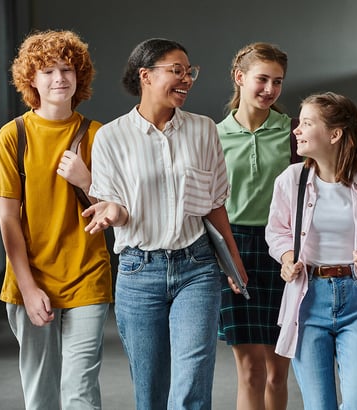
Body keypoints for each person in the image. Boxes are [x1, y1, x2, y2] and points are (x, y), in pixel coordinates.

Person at [83, 38, 246, 410]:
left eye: (190, 72)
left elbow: (215, 205)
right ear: (145, 76)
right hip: (139, 273)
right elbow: (117, 206)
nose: (187, 79)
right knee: (151, 389)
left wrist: (232, 262)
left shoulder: (204, 130)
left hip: (197, 268)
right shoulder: (110, 137)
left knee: (191, 381)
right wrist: (111, 213)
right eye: (177, 71)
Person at [0, 30, 112, 410]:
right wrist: (27, 288)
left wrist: (86, 180)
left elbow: (116, 210)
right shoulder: (13, 136)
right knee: (40, 394)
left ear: (80, 76)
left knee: (80, 390)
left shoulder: (99, 136)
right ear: (31, 80)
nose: (60, 78)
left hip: (87, 273)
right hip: (31, 276)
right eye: (48, 71)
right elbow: (8, 221)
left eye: (67, 69)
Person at [265, 92, 357, 410]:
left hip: (356, 298)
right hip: (307, 300)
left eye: (306, 123)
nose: (296, 130)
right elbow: (277, 232)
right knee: (319, 406)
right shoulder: (292, 180)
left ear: (335, 133)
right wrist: (287, 259)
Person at [216, 42, 292, 410]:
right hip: (235, 247)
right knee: (250, 372)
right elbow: (208, 206)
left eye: (277, 82)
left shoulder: (293, 133)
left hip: (285, 250)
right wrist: (225, 259)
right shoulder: (212, 136)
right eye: (262, 79)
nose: (270, 89)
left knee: (279, 372)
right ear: (240, 77)